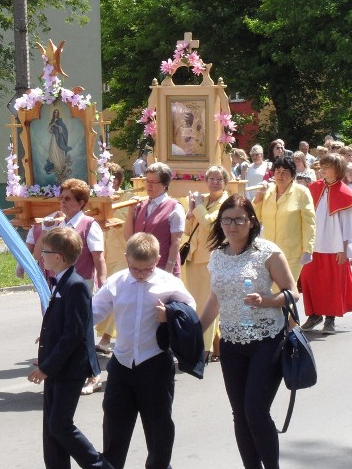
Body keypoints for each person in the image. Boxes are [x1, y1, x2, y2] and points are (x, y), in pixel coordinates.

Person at [200, 194, 298, 469]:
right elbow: (214, 300)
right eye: (226, 220)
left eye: (238, 220)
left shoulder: (268, 252)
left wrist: (266, 301)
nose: (232, 226)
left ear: (251, 221)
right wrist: (195, 334)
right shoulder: (217, 256)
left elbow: (293, 294)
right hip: (232, 343)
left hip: (268, 341)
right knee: (240, 415)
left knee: (255, 412)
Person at [92, 232, 195, 469]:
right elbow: (93, 312)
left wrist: (170, 314)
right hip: (122, 364)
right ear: (127, 258)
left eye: (146, 270)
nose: (140, 275)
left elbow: (190, 312)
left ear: (157, 259)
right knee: (114, 426)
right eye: (135, 269)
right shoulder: (117, 282)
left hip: (155, 364)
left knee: (159, 429)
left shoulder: (168, 283)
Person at [27, 227, 112, 469]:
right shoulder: (61, 281)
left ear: (59, 257)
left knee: (60, 425)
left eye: (45, 250)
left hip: (70, 368)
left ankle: (98, 465)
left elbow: (74, 332)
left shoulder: (75, 285)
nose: (41, 254)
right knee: (51, 429)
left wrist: (46, 367)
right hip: (58, 366)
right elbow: (63, 322)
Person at [299, 153, 352, 335]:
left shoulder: (345, 193)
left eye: (327, 166)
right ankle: (314, 315)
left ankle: (330, 318)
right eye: (322, 166)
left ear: (337, 170)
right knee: (309, 280)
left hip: (334, 246)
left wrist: (343, 250)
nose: (322, 169)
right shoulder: (314, 187)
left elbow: (347, 225)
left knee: (332, 284)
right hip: (312, 244)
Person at [182, 166, 229, 362]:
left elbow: (211, 224)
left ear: (225, 182)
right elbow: (188, 228)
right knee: (196, 304)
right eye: (211, 178)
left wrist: (198, 207)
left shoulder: (226, 202)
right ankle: (218, 346)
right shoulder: (203, 200)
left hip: (211, 258)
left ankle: (204, 348)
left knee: (206, 305)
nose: (215, 182)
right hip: (194, 256)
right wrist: (191, 213)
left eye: (219, 179)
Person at [252, 156, 316, 283]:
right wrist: (259, 196)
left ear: (293, 176)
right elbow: (256, 218)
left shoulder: (302, 192)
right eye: (278, 172)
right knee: (268, 293)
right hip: (268, 251)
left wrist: (308, 250)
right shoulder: (268, 191)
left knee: (286, 293)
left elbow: (309, 223)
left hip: (291, 253)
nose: (280, 176)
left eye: (285, 173)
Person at [123, 162, 185, 277]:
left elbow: (175, 243)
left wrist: (168, 272)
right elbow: (128, 237)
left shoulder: (175, 208)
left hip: (163, 270)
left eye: (153, 182)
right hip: (140, 271)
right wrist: (131, 211)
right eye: (147, 181)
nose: (148, 186)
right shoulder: (140, 205)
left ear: (165, 184)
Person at [96, 164, 127, 355]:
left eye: (110, 178)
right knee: (104, 297)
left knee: (116, 296)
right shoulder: (97, 198)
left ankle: (106, 339)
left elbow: (124, 221)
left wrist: (109, 210)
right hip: (103, 254)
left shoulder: (126, 198)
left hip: (121, 253)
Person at [46, 109, 73, 182]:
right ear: (53, 113)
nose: (56, 114)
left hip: (59, 140)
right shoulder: (53, 121)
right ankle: (56, 167)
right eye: (55, 112)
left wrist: (60, 128)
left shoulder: (60, 121)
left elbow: (64, 131)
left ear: (58, 114)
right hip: (54, 139)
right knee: (53, 152)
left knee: (59, 152)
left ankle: (60, 168)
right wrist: (52, 124)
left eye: (57, 113)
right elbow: (50, 130)